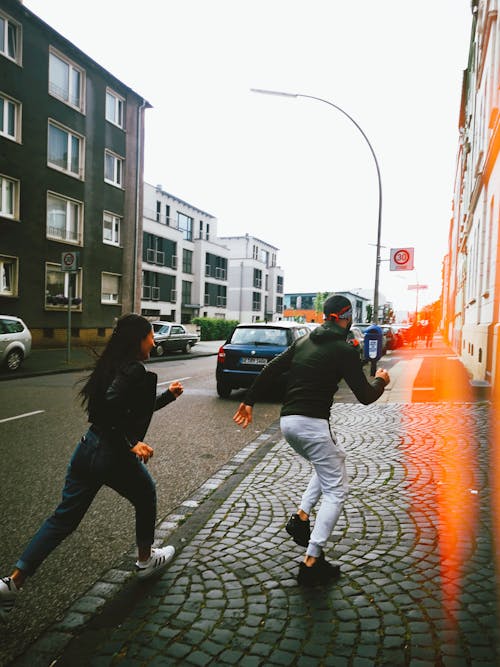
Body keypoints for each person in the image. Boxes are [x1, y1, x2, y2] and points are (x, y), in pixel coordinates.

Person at [0, 314, 183, 622]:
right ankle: (145, 560)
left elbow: (126, 409)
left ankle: (11, 583)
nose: (154, 341)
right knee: (146, 494)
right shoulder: (134, 370)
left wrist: (167, 396)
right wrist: (130, 442)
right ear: (138, 340)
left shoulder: (112, 365)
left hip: (88, 447)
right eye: (151, 335)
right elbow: (111, 407)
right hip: (110, 454)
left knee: (63, 519)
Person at [233, 294, 390, 587]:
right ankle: (312, 560)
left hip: (288, 422)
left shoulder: (304, 341)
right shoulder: (343, 350)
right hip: (312, 424)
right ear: (346, 316)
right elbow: (366, 397)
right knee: (337, 490)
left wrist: (249, 400)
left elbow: (272, 368)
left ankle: (302, 517)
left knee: (332, 461)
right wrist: (381, 379)